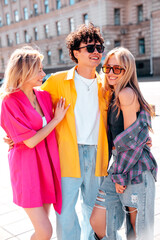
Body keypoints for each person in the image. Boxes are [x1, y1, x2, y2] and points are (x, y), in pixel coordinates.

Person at [41, 23, 109, 240]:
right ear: (75, 53)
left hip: (97, 154)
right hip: (67, 154)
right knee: (66, 209)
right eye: (90, 48)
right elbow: (33, 105)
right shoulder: (57, 81)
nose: (96, 52)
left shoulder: (106, 84)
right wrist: (17, 135)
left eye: (100, 47)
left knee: (93, 207)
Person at [0, 46, 70, 240]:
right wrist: (56, 120)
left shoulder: (44, 96)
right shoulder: (9, 101)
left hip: (46, 166)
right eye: (39, 69)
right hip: (27, 170)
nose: (43, 73)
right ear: (25, 71)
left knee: (44, 230)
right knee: (45, 231)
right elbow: (29, 142)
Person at [89, 47, 158, 240]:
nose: (110, 73)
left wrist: (120, 175)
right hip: (122, 165)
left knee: (138, 229)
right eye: (107, 67)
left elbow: (131, 141)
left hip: (134, 169)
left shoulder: (126, 93)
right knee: (98, 219)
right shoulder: (114, 94)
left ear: (126, 70)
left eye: (116, 69)